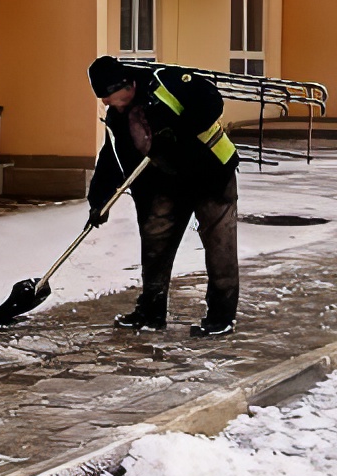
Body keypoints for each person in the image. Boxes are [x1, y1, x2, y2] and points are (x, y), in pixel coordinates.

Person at [86, 54, 240, 337]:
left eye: (108, 95)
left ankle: (221, 316)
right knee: (155, 242)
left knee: (220, 245)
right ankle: (151, 311)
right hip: (166, 184)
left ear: (125, 84)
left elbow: (210, 101)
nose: (106, 103)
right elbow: (111, 158)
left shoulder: (164, 82)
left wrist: (176, 134)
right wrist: (99, 201)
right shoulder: (117, 116)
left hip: (210, 173)